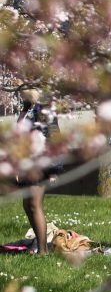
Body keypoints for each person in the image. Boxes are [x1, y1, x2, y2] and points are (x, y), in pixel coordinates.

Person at [15, 89, 61, 255]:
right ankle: (38, 245)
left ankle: (43, 251)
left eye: (22, 92)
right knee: (27, 205)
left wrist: (53, 170)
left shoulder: (44, 110)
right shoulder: (26, 110)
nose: (20, 95)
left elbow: (55, 138)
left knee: (34, 204)